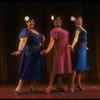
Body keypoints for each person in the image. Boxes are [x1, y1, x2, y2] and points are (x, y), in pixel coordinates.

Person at [11, 16, 46, 95]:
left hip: (38, 54)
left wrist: (43, 39)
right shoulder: (25, 30)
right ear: (26, 23)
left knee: (36, 70)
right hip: (29, 53)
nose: (31, 23)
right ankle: (19, 87)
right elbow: (23, 41)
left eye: (33, 21)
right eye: (29, 21)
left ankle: (32, 87)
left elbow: (42, 43)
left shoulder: (38, 31)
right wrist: (19, 50)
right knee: (26, 69)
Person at [41, 17, 72, 94]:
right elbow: (51, 42)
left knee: (61, 68)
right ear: (53, 22)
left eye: (59, 20)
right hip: (58, 50)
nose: (58, 21)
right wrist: (48, 50)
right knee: (55, 67)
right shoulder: (53, 31)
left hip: (66, 51)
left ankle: (59, 86)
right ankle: (50, 86)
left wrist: (70, 46)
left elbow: (67, 41)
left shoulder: (66, 31)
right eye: (56, 20)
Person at [68, 16, 89, 92]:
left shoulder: (81, 28)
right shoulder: (78, 28)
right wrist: (72, 46)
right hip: (79, 48)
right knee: (76, 66)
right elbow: (76, 37)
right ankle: (71, 84)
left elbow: (83, 39)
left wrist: (86, 47)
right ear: (76, 21)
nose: (80, 20)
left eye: (81, 19)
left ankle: (79, 84)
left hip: (83, 49)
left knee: (80, 67)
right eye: (78, 19)